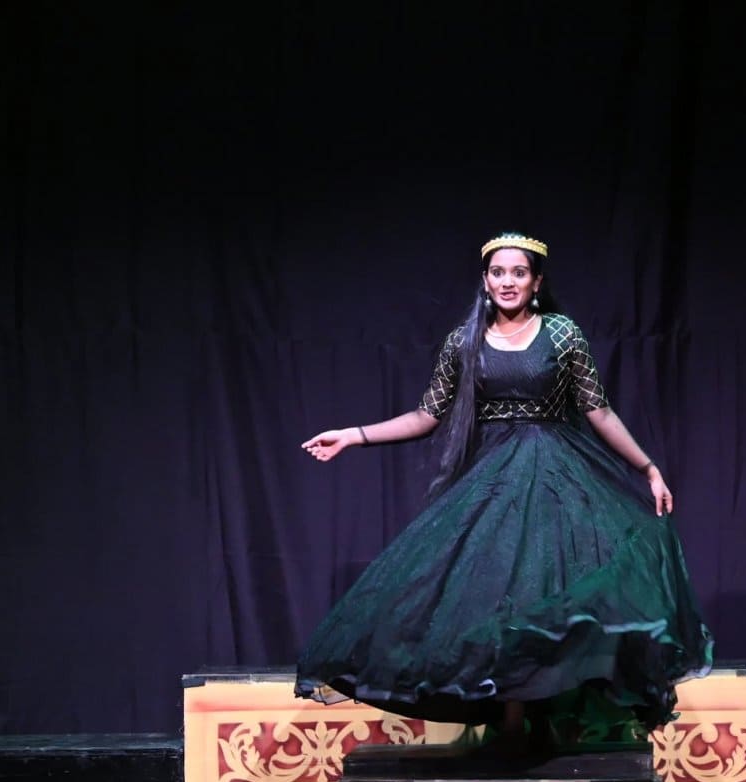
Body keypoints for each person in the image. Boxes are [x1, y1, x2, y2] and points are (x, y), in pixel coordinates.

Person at [296, 232, 712, 747]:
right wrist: (354, 435)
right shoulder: (464, 341)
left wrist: (648, 467)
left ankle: (545, 716)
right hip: (493, 480)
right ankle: (510, 723)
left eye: (518, 273)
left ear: (536, 282)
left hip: (555, 477)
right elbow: (426, 415)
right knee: (495, 596)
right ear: (486, 280)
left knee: (549, 589)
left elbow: (598, 410)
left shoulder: (561, 334)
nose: (507, 281)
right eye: (498, 273)